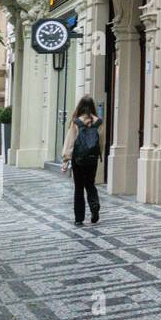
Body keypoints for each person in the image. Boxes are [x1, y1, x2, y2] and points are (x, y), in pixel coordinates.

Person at [61, 95, 103, 226]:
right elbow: (101, 142)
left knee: (79, 187)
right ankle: (94, 206)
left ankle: (79, 218)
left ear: (80, 107)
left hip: (78, 159)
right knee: (90, 184)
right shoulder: (98, 122)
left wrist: (66, 159)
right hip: (92, 158)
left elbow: (70, 142)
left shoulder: (76, 122)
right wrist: (99, 154)